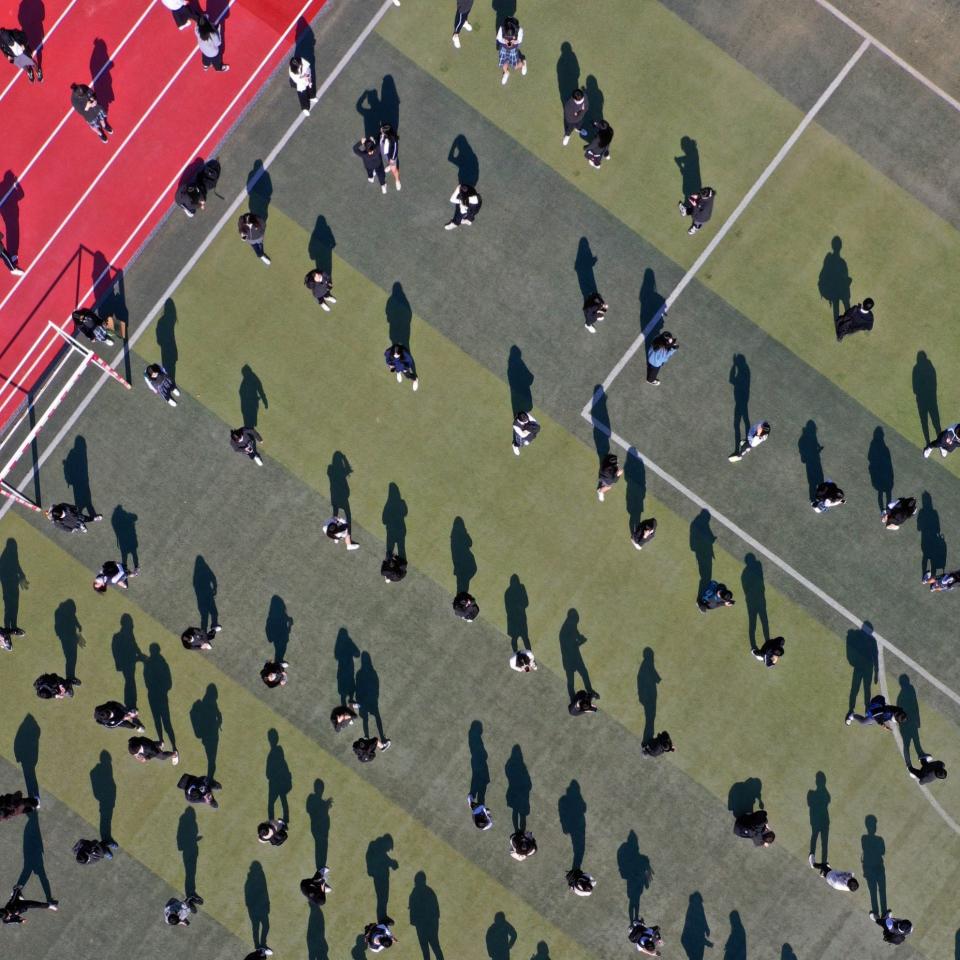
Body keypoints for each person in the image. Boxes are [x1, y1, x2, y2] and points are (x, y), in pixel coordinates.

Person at [496, 15, 526, 85]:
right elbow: (499, 38)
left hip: (513, 49)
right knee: (504, 62)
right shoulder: (502, 28)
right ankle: (506, 73)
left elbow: (519, 40)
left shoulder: (519, 30)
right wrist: (504, 41)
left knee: (515, 66)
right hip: (503, 48)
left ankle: (523, 62)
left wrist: (514, 42)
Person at [379, 122, 401, 191]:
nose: (381, 130)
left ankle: (397, 181)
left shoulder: (393, 139)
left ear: (387, 132)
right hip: (386, 154)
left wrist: (392, 159)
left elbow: (395, 149)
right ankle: (390, 166)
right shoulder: (384, 135)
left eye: (382, 130)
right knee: (389, 163)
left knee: (394, 169)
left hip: (391, 157)